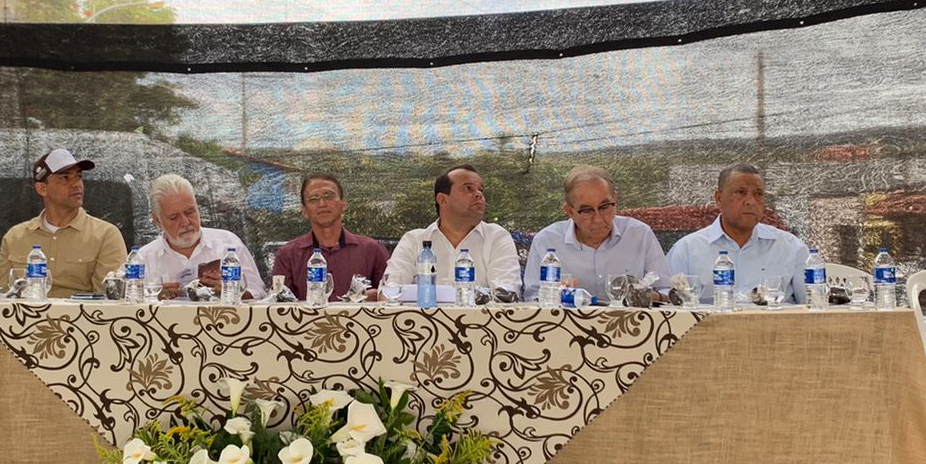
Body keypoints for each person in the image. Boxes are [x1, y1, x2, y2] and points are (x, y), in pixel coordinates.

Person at [523, 166, 670, 302]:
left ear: (615, 200)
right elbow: (532, 298)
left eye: (605, 207)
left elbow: (666, 290)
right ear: (570, 211)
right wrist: (556, 295)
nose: (598, 219)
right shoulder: (547, 241)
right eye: (586, 211)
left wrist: (649, 296)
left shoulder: (639, 234)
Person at [664, 164, 808, 303]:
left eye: (758, 194)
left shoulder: (790, 247)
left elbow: (813, 305)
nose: (750, 201)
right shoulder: (687, 250)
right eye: (740, 192)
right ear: (719, 198)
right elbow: (669, 307)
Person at [0, 149, 128, 298]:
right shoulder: (15, 237)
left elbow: (110, 299)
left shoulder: (106, 235)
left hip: (83, 313)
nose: (76, 184)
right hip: (26, 312)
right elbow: (0, 297)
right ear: (42, 188)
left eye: (79, 177)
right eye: (65, 178)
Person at [383, 165, 521, 296]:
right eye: (468, 188)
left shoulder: (497, 237)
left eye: (481, 190)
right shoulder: (414, 240)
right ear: (442, 199)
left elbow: (506, 293)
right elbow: (389, 291)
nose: (478, 194)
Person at [132, 175, 266, 299]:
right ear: (157, 221)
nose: (185, 222)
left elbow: (259, 292)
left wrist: (233, 292)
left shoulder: (228, 244)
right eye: (174, 217)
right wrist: (154, 297)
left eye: (190, 212)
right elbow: (127, 302)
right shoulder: (143, 258)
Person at [270, 173, 390, 300]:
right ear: (304, 211)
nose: (322, 203)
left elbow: (391, 296)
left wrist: (375, 296)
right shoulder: (287, 255)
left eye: (329, 196)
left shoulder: (372, 250)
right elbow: (278, 304)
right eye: (313, 199)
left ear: (344, 204)